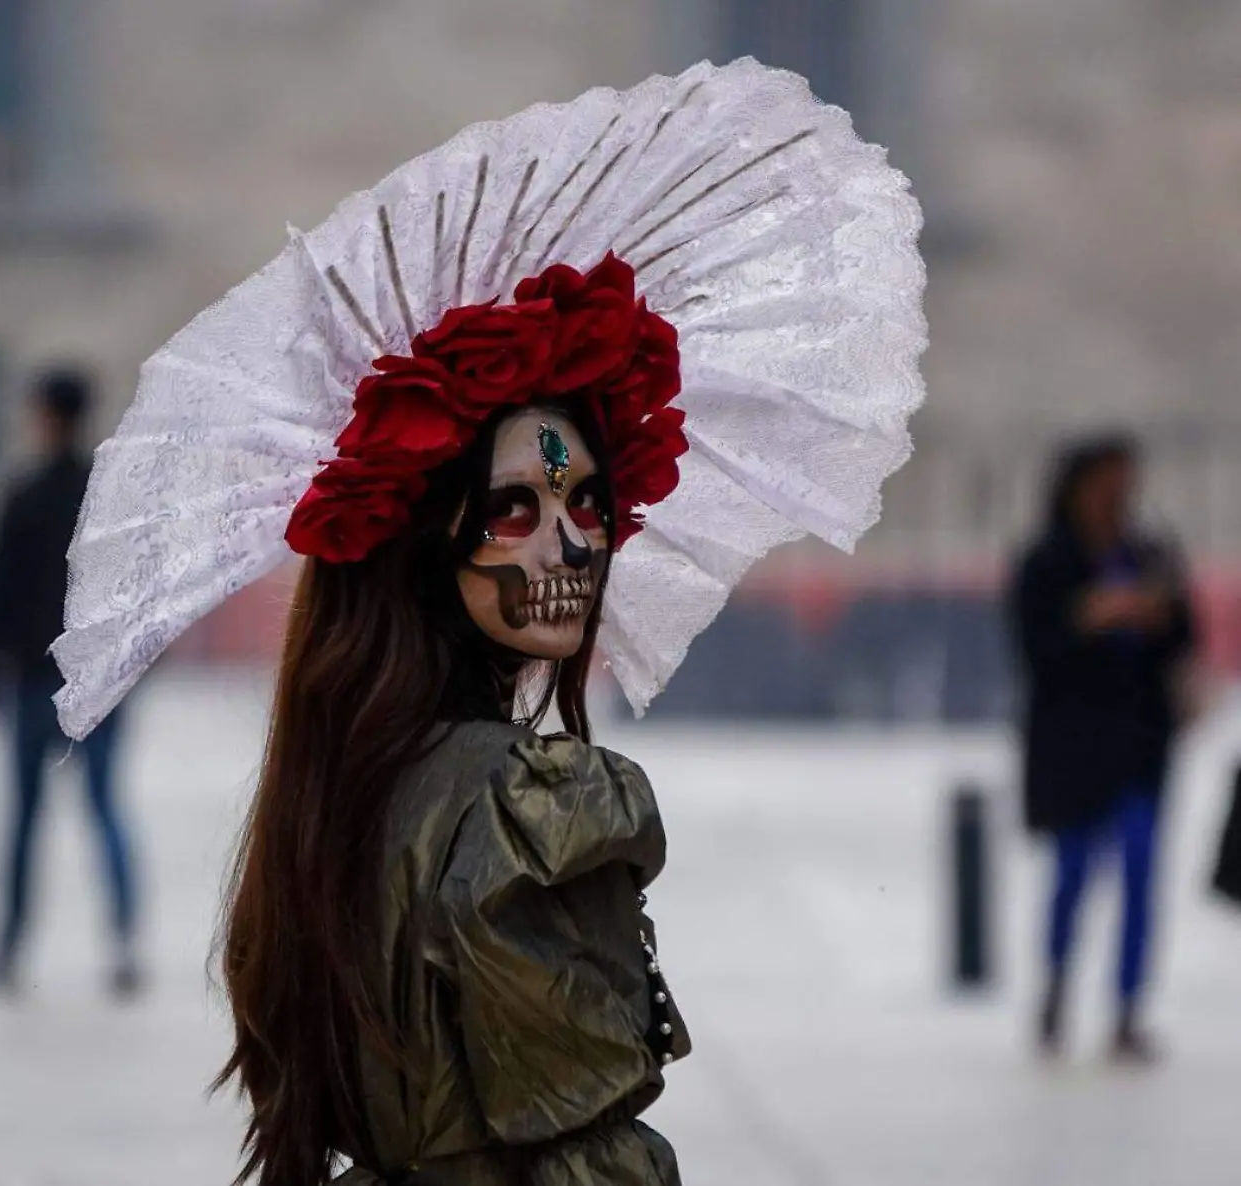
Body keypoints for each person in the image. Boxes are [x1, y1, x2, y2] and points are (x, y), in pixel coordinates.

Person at [49, 63, 926, 1185]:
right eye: (513, 508)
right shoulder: (531, 805)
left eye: (589, 504)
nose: (570, 545)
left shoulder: (338, 788)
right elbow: (587, 1153)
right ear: (425, 538)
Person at [1010, 435, 1198, 1062]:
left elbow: (1182, 634)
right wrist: (1088, 618)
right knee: (1072, 875)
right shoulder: (1048, 561)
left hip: (1141, 742)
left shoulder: (1150, 552)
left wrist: (1155, 617)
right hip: (1074, 745)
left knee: (1142, 870)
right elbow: (1032, 647)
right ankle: (1057, 988)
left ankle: (1127, 1009)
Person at [0, 367, 140, 996]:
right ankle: (123, 944)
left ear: (43, 415)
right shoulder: (108, 496)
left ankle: (9, 947)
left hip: (35, 677)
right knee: (104, 808)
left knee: (24, 818)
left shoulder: (24, 493)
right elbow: (137, 590)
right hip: (100, 681)